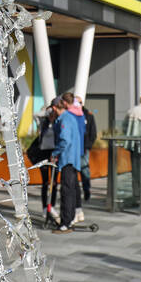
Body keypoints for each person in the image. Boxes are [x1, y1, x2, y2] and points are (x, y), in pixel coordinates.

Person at [51, 96, 82, 232]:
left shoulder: (65, 119)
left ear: (54, 108)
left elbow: (65, 140)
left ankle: (65, 222)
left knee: (66, 191)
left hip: (67, 159)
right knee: (71, 190)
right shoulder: (70, 117)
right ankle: (69, 219)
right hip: (72, 159)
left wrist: (54, 153)